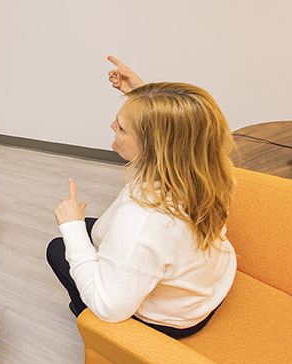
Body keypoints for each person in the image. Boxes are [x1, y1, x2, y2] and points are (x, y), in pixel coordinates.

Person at [46, 56, 237, 339]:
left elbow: (109, 308)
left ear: (155, 146)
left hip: (171, 318)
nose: (113, 126)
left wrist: (72, 227)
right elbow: (177, 130)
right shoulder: (208, 168)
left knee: (58, 248)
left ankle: (84, 314)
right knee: (90, 228)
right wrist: (141, 95)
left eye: (122, 127)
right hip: (204, 286)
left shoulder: (142, 222)